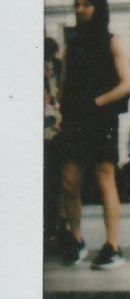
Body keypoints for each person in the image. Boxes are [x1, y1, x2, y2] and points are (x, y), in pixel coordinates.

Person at [58, 0, 130, 269]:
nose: (79, 9)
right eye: (76, 4)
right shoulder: (72, 45)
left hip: (101, 118)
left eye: (86, 5)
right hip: (75, 118)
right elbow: (64, 84)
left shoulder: (113, 42)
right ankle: (76, 241)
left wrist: (96, 102)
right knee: (69, 181)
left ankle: (113, 246)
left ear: (97, 8)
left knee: (104, 177)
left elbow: (127, 84)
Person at [44, 35, 64, 252]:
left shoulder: (58, 66)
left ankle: (55, 228)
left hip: (56, 129)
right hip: (49, 128)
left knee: (55, 182)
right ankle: (53, 227)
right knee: (52, 182)